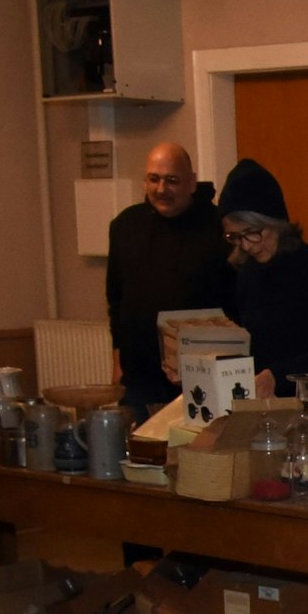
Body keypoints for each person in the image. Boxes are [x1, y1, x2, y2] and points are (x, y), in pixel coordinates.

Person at [105, 143, 236, 423]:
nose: (161, 188)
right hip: (140, 377)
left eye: (172, 180)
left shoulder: (219, 229)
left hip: (204, 376)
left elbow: (237, 303)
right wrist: (117, 362)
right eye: (154, 179)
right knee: (142, 456)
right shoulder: (125, 227)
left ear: (191, 182)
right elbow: (116, 301)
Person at [218, 158, 308, 399]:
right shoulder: (247, 275)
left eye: (253, 233)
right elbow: (246, 347)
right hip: (262, 406)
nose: (246, 245)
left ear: (275, 223)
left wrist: (276, 376)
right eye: (235, 237)